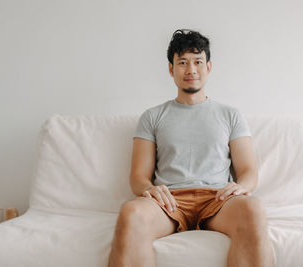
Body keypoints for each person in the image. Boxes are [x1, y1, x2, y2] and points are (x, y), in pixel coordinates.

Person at [108, 29, 274, 267]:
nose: (191, 70)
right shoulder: (152, 116)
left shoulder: (231, 115)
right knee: (130, 213)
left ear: (209, 66)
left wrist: (240, 187)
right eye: (183, 62)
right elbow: (138, 176)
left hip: (218, 200)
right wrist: (148, 189)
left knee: (253, 208)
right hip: (169, 203)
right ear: (171, 68)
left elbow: (248, 170)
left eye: (198, 62)